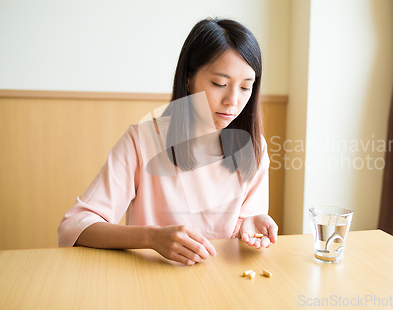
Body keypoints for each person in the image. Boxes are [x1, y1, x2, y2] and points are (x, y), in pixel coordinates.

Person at [57, 18, 278, 265]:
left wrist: (248, 226)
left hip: (221, 287)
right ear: (188, 78)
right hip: (150, 285)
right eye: (219, 84)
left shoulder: (254, 147)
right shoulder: (142, 140)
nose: (232, 101)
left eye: (245, 88)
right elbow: (75, 226)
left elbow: (239, 236)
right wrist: (152, 237)